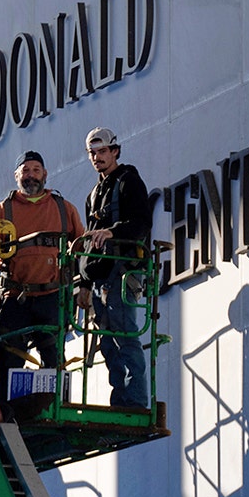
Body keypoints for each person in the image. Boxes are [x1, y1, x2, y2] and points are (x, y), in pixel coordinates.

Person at [0, 150, 85, 403]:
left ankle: (53, 407)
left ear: (45, 174)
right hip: (15, 297)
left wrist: (85, 285)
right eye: (25, 171)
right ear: (16, 176)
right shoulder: (2, 210)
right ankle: (7, 414)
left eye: (36, 170)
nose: (31, 176)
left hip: (52, 295)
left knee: (54, 358)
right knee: (10, 359)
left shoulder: (64, 208)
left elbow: (81, 246)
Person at [78, 127, 152, 408]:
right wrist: (84, 285)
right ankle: (120, 397)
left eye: (102, 151)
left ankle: (135, 398)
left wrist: (114, 231)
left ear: (115, 151)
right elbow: (88, 242)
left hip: (122, 272)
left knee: (125, 334)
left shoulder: (128, 182)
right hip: (100, 277)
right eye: (92, 153)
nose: (97, 157)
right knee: (108, 343)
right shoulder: (94, 194)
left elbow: (142, 222)